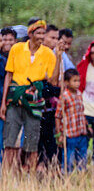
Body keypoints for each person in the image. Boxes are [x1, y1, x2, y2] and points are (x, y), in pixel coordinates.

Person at [1, 20, 61, 174]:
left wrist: (59, 57)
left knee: (32, 143)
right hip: (16, 98)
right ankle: (8, 177)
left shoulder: (48, 54)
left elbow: (53, 81)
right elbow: (9, 75)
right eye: (38, 33)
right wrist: (3, 103)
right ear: (30, 34)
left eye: (43, 33)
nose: (41, 37)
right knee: (10, 142)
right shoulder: (17, 49)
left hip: (35, 99)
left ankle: (31, 178)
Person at [56, 68, 90, 172]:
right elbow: (58, 116)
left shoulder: (79, 94)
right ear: (66, 82)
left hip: (81, 132)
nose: (77, 83)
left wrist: (87, 126)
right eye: (74, 81)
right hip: (69, 134)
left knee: (82, 158)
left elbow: (81, 112)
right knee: (68, 159)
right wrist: (59, 134)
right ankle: (66, 178)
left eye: (78, 81)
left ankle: (82, 177)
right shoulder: (64, 97)